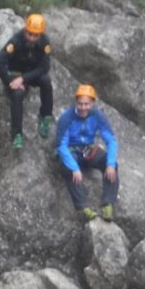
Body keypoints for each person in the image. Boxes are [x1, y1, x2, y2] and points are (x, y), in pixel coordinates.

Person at [55, 84, 119, 221]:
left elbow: (111, 140)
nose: (83, 107)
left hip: (88, 150)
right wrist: (74, 168)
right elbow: (61, 145)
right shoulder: (67, 117)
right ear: (76, 103)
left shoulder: (98, 116)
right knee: (69, 170)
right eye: (80, 104)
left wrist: (111, 163)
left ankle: (107, 204)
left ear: (93, 103)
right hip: (72, 151)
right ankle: (83, 207)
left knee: (111, 165)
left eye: (87, 104)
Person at [0, 12, 54, 150]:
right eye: (29, 34)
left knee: (46, 81)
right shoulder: (16, 41)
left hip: (29, 74)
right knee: (18, 94)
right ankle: (16, 134)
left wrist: (24, 78)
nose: (32, 38)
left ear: (40, 34)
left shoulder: (44, 42)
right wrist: (10, 80)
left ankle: (45, 116)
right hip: (15, 73)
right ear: (25, 30)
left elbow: (45, 67)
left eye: (36, 35)